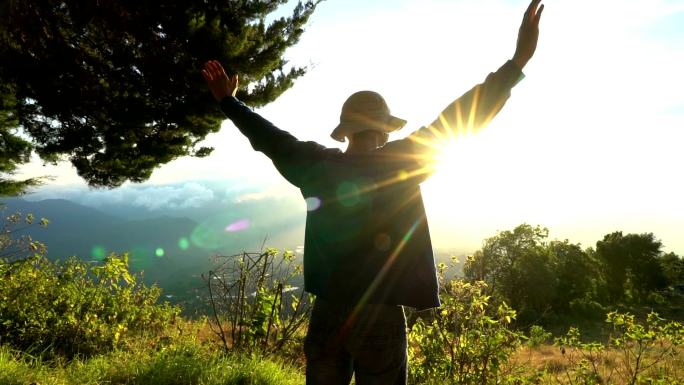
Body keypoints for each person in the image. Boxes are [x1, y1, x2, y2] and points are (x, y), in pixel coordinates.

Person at [202, 1, 543, 383]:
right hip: (380, 314)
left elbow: (270, 139)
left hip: (329, 312)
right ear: (384, 130)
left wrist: (229, 102)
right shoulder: (402, 162)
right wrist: (517, 63)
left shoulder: (316, 166)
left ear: (345, 131)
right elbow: (461, 116)